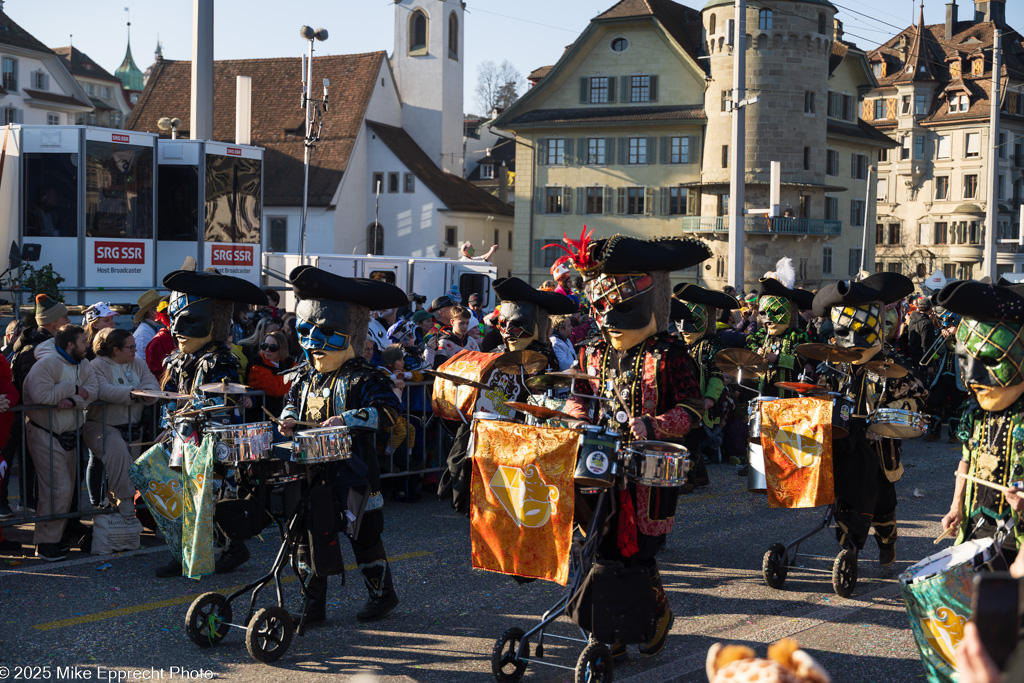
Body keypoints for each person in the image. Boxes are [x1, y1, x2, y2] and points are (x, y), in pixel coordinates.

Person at [564, 234, 711, 661]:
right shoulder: (592, 350)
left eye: (623, 312)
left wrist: (653, 423)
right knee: (598, 549)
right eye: (603, 312)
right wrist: (575, 417)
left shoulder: (670, 354)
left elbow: (693, 409)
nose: (611, 322)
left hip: (648, 471)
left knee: (638, 554)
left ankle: (656, 613)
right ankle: (609, 631)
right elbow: (580, 392)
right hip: (598, 463)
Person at [280, 265, 407, 624]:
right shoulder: (305, 375)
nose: (312, 344)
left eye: (325, 335)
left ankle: (382, 595)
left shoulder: (364, 376)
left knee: (363, 535)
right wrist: (289, 417)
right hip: (312, 470)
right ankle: (312, 605)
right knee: (309, 535)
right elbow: (292, 401)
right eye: (305, 334)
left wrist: (347, 419)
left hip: (355, 470)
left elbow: (389, 411)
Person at [145, 257, 267, 577]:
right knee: (176, 494)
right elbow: (170, 397)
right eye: (173, 319)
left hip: (208, 441)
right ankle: (181, 550)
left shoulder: (218, 360)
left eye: (186, 320)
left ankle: (232, 548)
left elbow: (219, 406)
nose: (176, 329)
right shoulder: (177, 358)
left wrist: (200, 431)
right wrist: (167, 427)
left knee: (205, 499)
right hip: (181, 437)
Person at [812, 272, 916, 567]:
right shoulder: (831, 367)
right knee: (845, 501)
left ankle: (887, 544)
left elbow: (915, 398)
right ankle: (849, 550)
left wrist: (890, 419)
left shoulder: (892, 366)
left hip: (878, 447)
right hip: (844, 444)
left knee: (883, 506)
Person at [936, 280, 1024, 561]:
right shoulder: (976, 411)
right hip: (978, 524)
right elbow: (966, 460)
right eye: (965, 361)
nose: (972, 377)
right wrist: (956, 506)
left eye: (989, 360)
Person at [23, 324, 97, 561]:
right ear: (70, 345)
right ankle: (45, 543)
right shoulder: (47, 364)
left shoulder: (83, 364)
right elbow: (41, 396)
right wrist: (73, 389)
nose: (88, 345)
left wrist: (73, 399)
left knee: (64, 491)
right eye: (84, 341)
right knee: (57, 490)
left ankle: (54, 539)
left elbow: (93, 390)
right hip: (44, 432)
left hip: (71, 433)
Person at [83, 329, 159, 518]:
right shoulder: (95, 366)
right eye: (131, 347)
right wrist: (133, 393)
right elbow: (102, 390)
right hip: (103, 426)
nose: (135, 351)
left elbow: (153, 385)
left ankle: (118, 515)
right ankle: (125, 510)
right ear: (116, 350)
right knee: (120, 464)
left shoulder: (138, 363)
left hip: (133, 427)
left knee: (128, 472)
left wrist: (147, 395)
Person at [672, 284, 740, 484]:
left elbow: (718, 374)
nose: (685, 328)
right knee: (689, 437)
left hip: (704, 402)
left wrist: (710, 398)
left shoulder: (712, 344)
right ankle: (699, 475)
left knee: (691, 438)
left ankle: (690, 477)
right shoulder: (683, 345)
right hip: (687, 400)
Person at [746, 258, 815, 400]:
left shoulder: (797, 336)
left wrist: (777, 358)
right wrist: (757, 353)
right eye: (765, 314)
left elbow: (800, 360)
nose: (769, 320)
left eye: (776, 313)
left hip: (787, 396)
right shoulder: (762, 335)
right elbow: (750, 349)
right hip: (765, 393)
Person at [243, 330, 294, 419]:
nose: (267, 350)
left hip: (284, 417)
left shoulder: (289, 364)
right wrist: (292, 382)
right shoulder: (256, 364)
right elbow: (276, 388)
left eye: (273, 347)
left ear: (281, 348)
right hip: (261, 418)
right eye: (264, 346)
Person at [132, 290, 164, 363]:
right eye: (160, 308)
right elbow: (143, 365)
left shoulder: (148, 330)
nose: (164, 311)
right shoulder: (143, 335)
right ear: (152, 312)